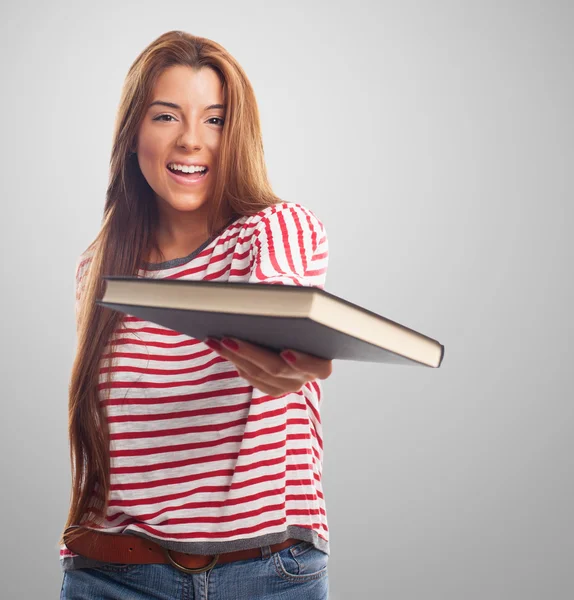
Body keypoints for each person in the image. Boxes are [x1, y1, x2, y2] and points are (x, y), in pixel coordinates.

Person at [58, 30, 333, 600]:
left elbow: (278, 302)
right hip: (113, 577)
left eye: (214, 119)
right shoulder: (99, 267)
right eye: (166, 117)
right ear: (134, 132)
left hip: (266, 575)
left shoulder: (276, 230)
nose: (191, 140)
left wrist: (282, 358)